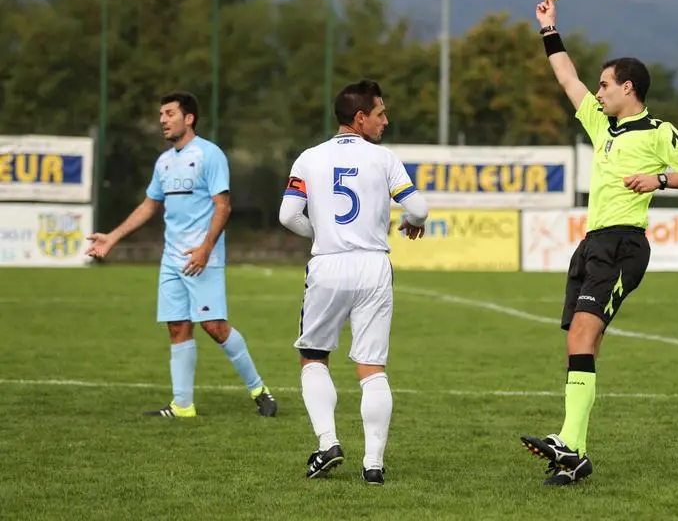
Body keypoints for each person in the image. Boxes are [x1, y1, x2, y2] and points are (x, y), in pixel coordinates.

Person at [520, 0, 678, 487]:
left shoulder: (658, 131)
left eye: (606, 84)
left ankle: (568, 442)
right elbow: (567, 78)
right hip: (591, 245)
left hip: (624, 245)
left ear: (629, 87)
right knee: (578, 344)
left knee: (582, 336)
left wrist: (662, 181)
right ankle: (576, 456)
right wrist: (549, 30)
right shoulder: (599, 124)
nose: (599, 91)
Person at [86, 92, 276, 418]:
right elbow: (149, 205)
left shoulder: (209, 154)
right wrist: (113, 238)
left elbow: (223, 206)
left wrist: (205, 249)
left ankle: (259, 390)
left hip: (202, 257)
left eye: (170, 113)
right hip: (171, 258)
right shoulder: (163, 162)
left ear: (189, 118)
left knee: (214, 326)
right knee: (177, 327)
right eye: (161, 113)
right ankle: (182, 405)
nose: (162, 119)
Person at [279, 79, 429, 486]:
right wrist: (414, 223)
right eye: (380, 113)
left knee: (313, 357)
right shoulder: (383, 159)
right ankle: (374, 465)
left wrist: (324, 232)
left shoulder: (309, 158)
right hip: (374, 266)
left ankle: (328, 443)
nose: (386, 120)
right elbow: (418, 207)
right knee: (372, 368)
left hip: (327, 265)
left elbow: (288, 216)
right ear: (360, 118)